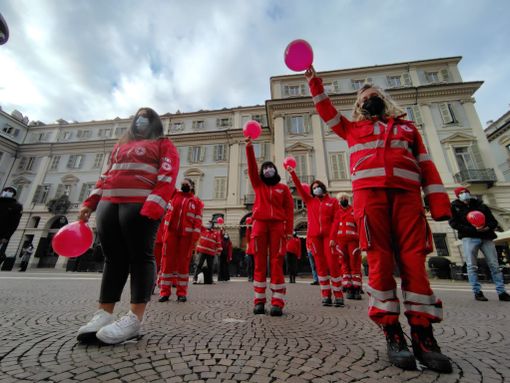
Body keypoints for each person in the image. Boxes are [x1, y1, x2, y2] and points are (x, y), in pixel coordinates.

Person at [306, 66, 452, 373]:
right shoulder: (351, 128)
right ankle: (392, 332)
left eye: (373, 94)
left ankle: (424, 335)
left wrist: (439, 203)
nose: (368, 97)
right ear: (359, 106)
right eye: (364, 96)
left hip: (407, 199)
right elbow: (326, 111)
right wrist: (313, 81)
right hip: (370, 202)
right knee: (379, 264)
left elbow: (427, 166)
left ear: (384, 100)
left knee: (415, 264)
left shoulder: (409, 129)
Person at [77, 107, 179, 344]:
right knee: (113, 258)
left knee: (141, 257)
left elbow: (167, 173)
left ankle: (134, 318)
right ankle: (104, 313)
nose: (142, 120)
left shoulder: (164, 144)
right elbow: (105, 175)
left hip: (140, 204)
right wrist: (91, 201)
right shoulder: (120, 145)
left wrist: (156, 202)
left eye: (147, 116)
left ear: (154, 123)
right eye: (139, 116)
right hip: (109, 202)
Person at [245, 136, 294, 316]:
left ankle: (277, 302)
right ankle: (259, 301)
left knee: (276, 262)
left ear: (275, 171)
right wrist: (249, 148)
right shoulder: (258, 185)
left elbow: (289, 211)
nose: (268, 170)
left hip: (278, 227)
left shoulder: (284, 188)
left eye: (270, 167)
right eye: (265, 168)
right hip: (259, 225)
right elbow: (251, 169)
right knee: (259, 263)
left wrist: (288, 231)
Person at [287, 168, 344, 307]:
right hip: (315, 238)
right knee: (320, 267)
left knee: (333, 265)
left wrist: (333, 237)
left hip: (328, 238)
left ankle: (338, 295)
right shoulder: (309, 201)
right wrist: (293, 173)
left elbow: (337, 220)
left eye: (318, 187)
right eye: (314, 188)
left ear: (323, 188)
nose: (316, 189)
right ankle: (326, 295)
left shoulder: (333, 202)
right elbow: (299, 188)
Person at [449, 187, 510, 302]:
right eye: (461, 193)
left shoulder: (481, 205)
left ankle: (501, 292)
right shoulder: (454, 207)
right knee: (471, 266)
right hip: (469, 238)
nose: (464, 194)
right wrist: (473, 230)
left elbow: (493, 221)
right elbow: (454, 224)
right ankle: (477, 292)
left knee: (494, 265)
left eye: (466, 192)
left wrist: (487, 227)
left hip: (486, 237)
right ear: (457, 196)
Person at [158, 178, 203, 302]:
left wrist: (194, 240)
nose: (184, 184)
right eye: (183, 182)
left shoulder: (197, 202)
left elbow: (198, 222)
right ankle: (164, 292)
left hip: (186, 238)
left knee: (183, 265)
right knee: (167, 264)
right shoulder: (174, 195)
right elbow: (168, 183)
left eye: (187, 183)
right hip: (171, 234)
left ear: (192, 186)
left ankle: (181, 293)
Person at [330, 194, 362, 300]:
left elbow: (359, 225)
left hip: (353, 241)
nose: (344, 200)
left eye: (345, 198)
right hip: (340, 241)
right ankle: (348, 287)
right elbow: (333, 227)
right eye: (341, 198)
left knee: (355, 264)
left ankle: (356, 288)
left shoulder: (354, 210)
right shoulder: (336, 212)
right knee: (344, 265)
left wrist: (361, 240)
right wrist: (332, 240)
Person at [0, 186, 23, 266]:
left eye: (10, 191)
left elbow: (14, 223)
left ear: (13, 194)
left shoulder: (16, 206)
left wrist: (6, 236)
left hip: (1, 232)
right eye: (6, 190)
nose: (7, 192)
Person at [245, 217, 255, 282]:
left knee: (254, 264)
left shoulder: (254, 231)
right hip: (250, 251)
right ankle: (250, 276)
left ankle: (253, 276)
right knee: (250, 265)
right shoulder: (249, 231)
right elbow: (247, 238)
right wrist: (248, 228)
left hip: (254, 250)